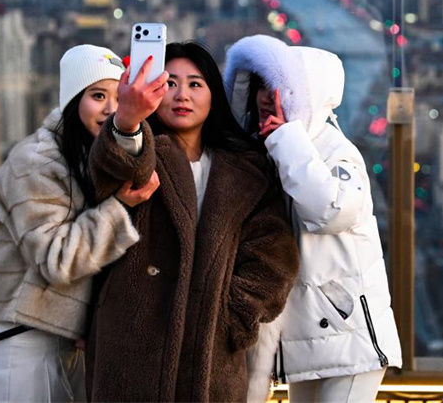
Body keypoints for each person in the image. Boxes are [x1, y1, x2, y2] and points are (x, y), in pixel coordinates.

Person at [85, 41, 299, 402]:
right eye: (169, 83)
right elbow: (116, 166)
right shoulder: (140, 152)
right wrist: (128, 120)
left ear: (214, 96)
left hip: (212, 355)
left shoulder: (246, 171)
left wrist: (233, 315)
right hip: (131, 346)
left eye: (195, 84)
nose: (182, 94)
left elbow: (273, 256)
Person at [0, 44, 160, 402]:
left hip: (66, 345)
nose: (111, 108)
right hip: (20, 344)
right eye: (97, 95)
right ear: (73, 100)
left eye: (118, 96)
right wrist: (119, 207)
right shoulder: (36, 163)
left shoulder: (84, 158)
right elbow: (57, 259)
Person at [224, 34, 402, 403]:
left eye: (280, 88)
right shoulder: (266, 150)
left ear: (306, 94)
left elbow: (329, 211)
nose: (266, 96)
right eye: (261, 86)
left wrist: (285, 139)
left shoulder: (336, 152)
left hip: (349, 333)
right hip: (304, 336)